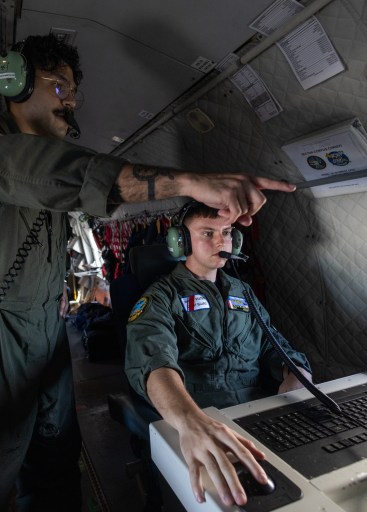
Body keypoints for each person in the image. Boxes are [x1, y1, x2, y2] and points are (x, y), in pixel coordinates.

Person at [0, 34, 297, 512]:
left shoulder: (236, 289)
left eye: (72, 89)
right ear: (14, 81)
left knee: (54, 469)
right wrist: (188, 180)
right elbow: (45, 171)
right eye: (58, 85)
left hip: (47, 339)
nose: (71, 99)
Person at [124, 201, 312, 508]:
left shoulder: (242, 292)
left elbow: (275, 346)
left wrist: (296, 376)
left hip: (259, 415)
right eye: (207, 233)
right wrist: (190, 422)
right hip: (201, 421)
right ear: (180, 241)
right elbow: (155, 364)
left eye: (226, 232)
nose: (220, 241)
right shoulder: (161, 298)